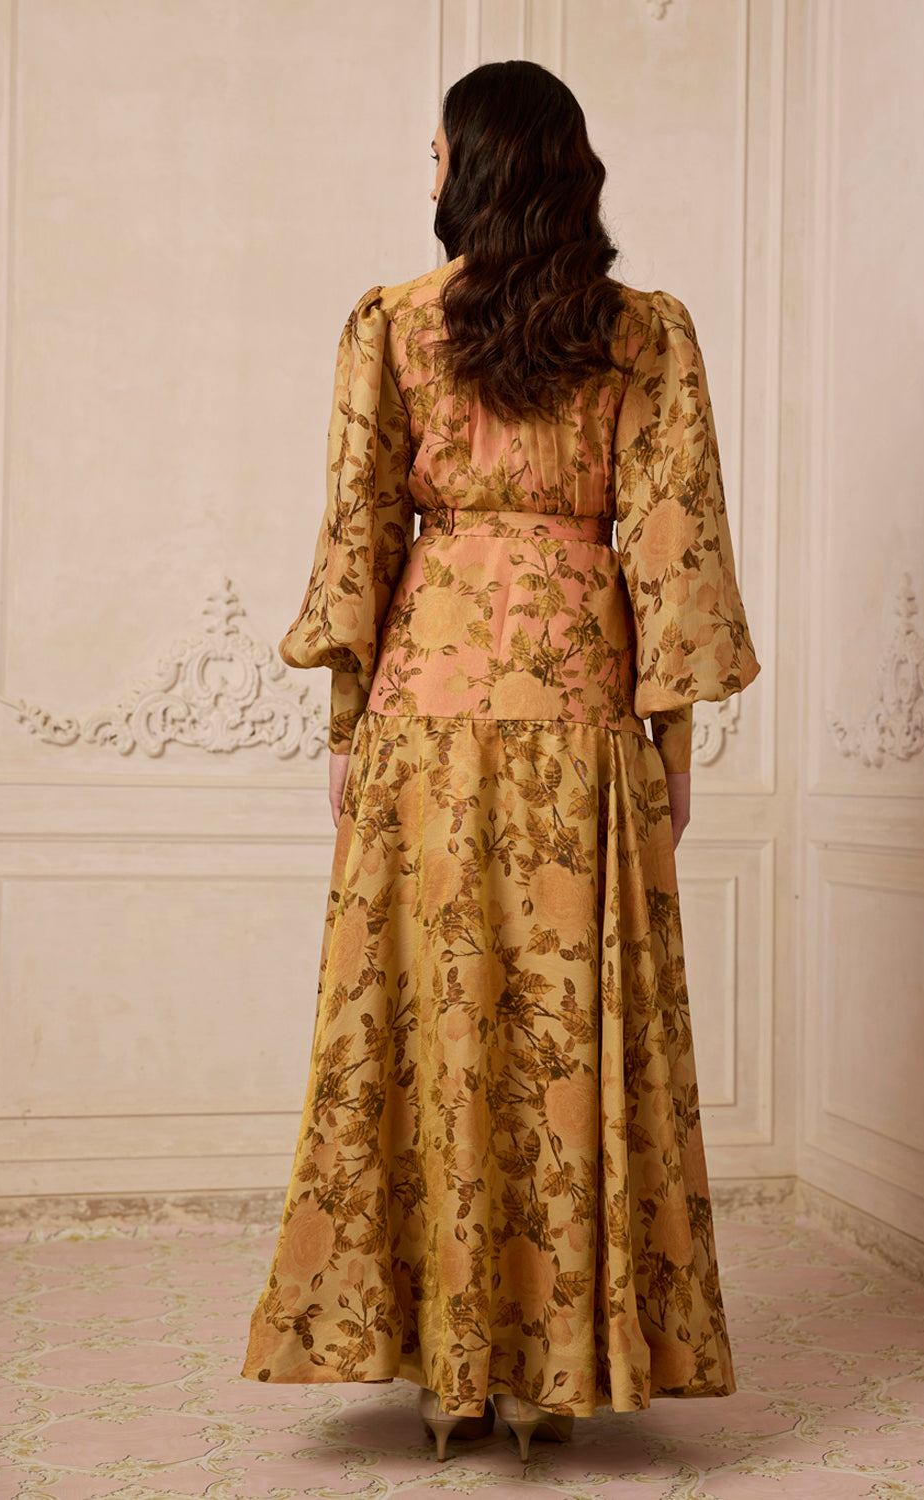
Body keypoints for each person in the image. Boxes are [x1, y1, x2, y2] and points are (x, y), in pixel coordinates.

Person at [241, 59, 761, 1464]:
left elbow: (360, 529)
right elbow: (676, 541)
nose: (426, 176)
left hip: (425, 710)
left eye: (435, 155)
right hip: (584, 714)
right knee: (564, 1027)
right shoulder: (644, 333)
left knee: (433, 1016)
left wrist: (345, 723)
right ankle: (548, 1373)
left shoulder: (393, 325)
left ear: (473, 168)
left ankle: (451, 1377)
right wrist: (674, 740)